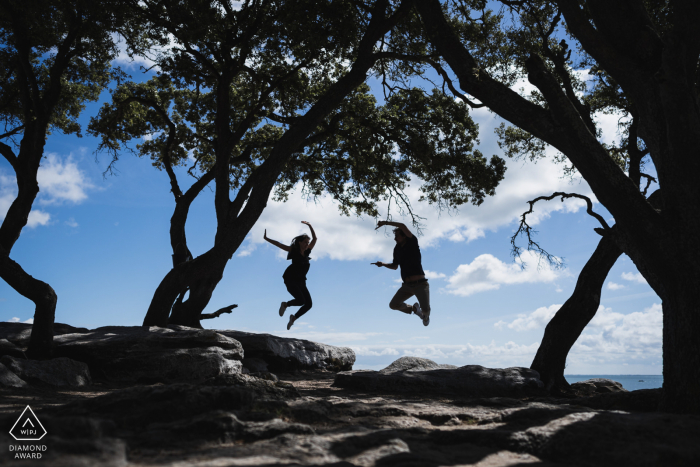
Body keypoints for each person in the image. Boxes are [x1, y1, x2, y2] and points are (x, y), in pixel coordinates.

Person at [371, 220, 430, 326]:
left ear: (404, 236)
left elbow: (402, 225)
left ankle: (425, 315)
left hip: (420, 284)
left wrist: (385, 223)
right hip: (407, 286)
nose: (395, 238)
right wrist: (383, 264)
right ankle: (414, 309)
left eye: (397, 236)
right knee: (393, 305)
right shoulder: (397, 249)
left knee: (426, 309)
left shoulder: (412, 242)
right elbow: (394, 266)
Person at [264, 221, 317, 330]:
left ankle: (293, 318)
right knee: (301, 301)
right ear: (299, 242)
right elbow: (279, 244)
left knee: (309, 304)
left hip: (302, 282)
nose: (307, 244)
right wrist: (266, 238)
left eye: (308, 242)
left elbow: (315, 239)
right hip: (291, 280)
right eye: (305, 242)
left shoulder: (307, 253)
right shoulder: (294, 251)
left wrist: (310, 226)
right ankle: (285, 305)